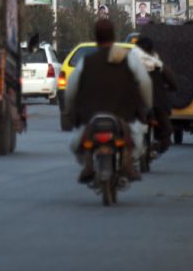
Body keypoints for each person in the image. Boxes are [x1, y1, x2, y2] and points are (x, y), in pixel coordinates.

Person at [61, 19, 153, 182]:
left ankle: (88, 166)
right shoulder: (129, 59)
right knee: (138, 143)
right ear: (114, 36)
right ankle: (127, 164)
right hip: (124, 116)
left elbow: (70, 90)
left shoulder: (85, 62)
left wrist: (69, 110)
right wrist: (147, 104)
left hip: (91, 117)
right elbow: (145, 83)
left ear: (96, 38)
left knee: (76, 144)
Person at [133, 35, 175, 154]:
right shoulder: (157, 63)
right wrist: (172, 87)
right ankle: (157, 148)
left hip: (135, 104)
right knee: (166, 131)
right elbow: (171, 80)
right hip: (156, 103)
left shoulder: (130, 62)